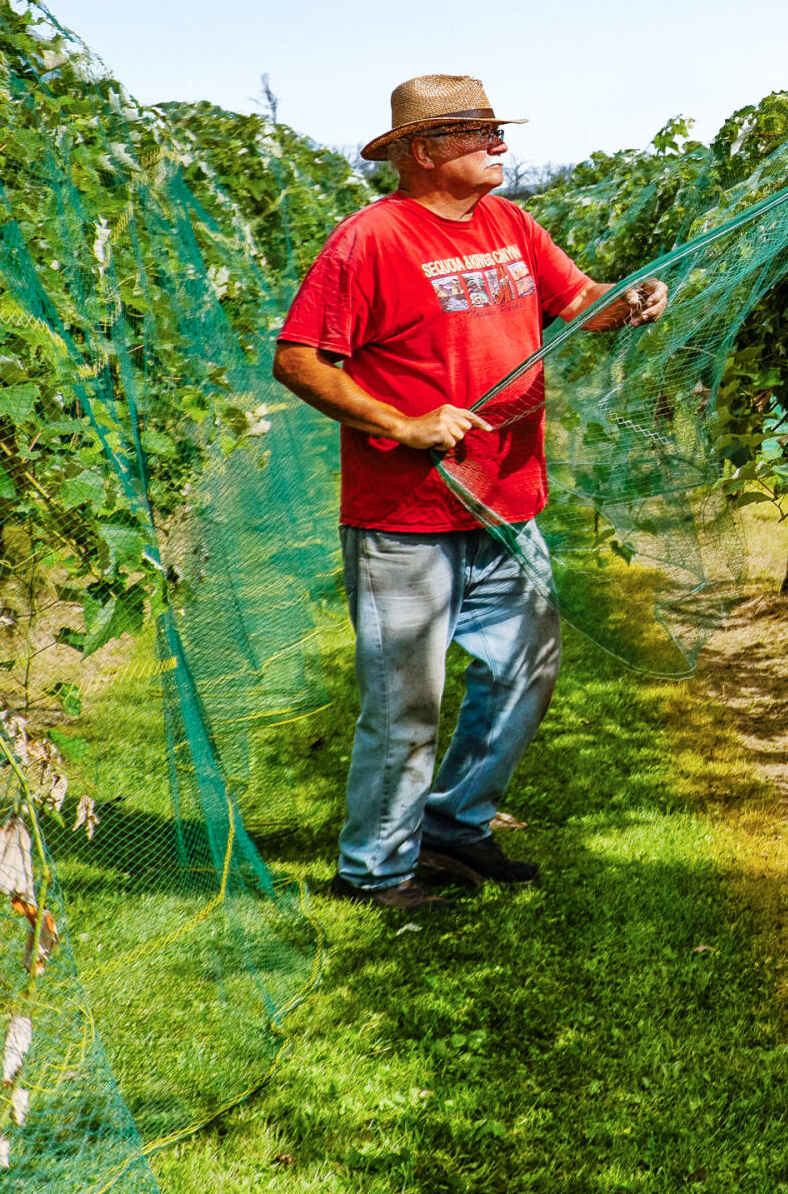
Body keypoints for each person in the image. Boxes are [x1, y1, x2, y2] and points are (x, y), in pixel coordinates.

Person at [273, 74, 665, 912]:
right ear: (423, 150)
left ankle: (454, 823)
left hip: (506, 501)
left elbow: (577, 301)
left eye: (496, 129)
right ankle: (374, 872)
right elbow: (299, 359)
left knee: (525, 671)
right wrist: (402, 422)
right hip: (406, 518)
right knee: (405, 705)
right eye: (477, 132)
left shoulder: (510, 224)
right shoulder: (371, 241)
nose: (499, 144)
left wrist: (625, 301)